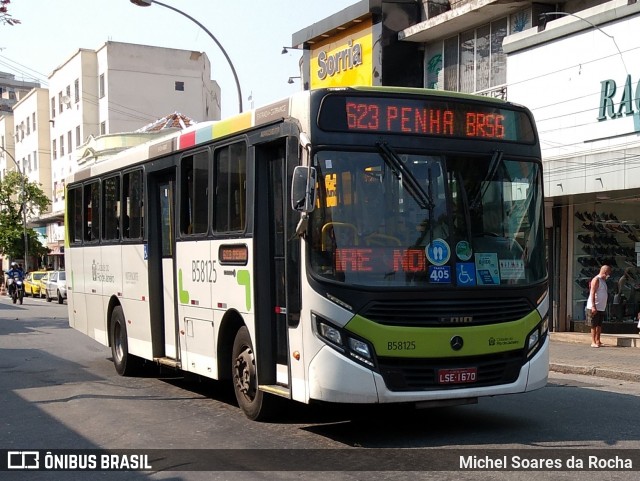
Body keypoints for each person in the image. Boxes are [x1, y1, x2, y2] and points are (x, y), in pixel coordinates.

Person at [585, 264, 612, 348]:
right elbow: (592, 292)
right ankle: (593, 341)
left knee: (599, 325)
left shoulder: (603, 281)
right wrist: (593, 306)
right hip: (594, 306)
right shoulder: (596, 279)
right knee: (593, 325)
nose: (609, 275)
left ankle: (598, 340)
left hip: (601, 307)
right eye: (608, 273)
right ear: (605, 272)